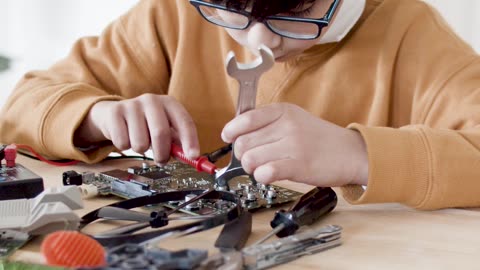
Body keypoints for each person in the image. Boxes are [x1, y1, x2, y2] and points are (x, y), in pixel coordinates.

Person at [1, 0, 479, 210]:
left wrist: (360, 155)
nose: (259, 38)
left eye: (297, 12)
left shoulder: (414, 34)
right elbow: (22, 105)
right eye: (235, 6)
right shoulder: (171, 13)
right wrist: (95, 116)